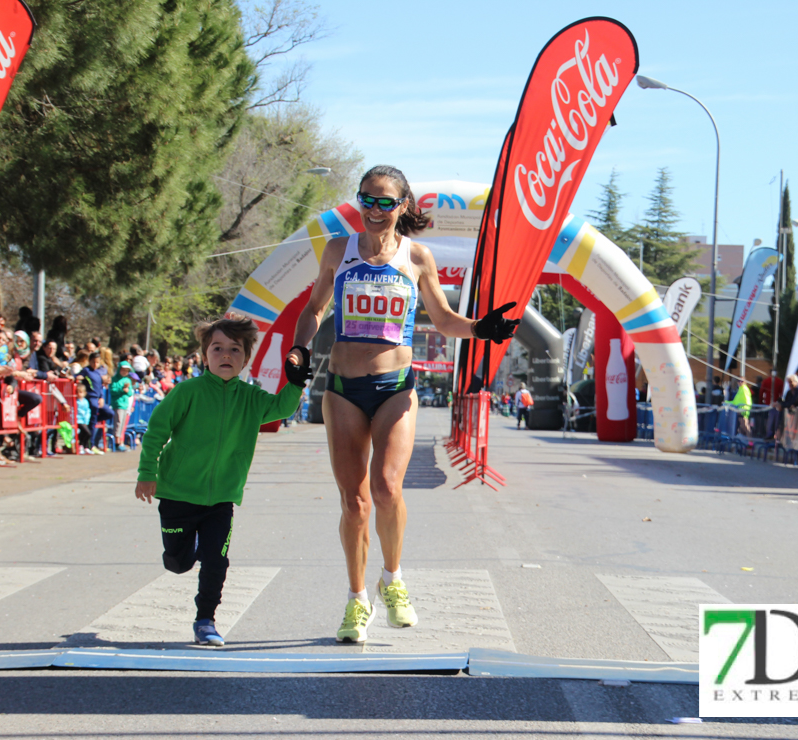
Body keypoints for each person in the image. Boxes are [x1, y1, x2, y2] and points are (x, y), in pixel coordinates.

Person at [289, 164, 518, 643]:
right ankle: (356, 600)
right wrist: (299, 349)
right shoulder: (338, 250)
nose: (374, 210)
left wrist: (481, 328)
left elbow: (445, 317)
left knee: (388, 488)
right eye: (366, 199)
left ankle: (392, 580)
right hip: (343, 389)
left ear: (403, 206)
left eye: (384, 201)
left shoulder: (417, 257)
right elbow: (313, 310)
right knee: (354, 503)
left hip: (396, 387)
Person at [134, 314, 308, 646]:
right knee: (177, 562)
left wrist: (296, 382)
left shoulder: (251, 398)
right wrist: (147, 474)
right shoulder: (187, 392)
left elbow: (282, 408)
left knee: (217, 559)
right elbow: (156, 432)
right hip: (177, 494)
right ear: (204, 355)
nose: (225, 355)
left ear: (246, 358)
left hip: (221, 499)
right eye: (217, 349)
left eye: (234, 349)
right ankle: (186, 552)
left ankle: (205, 620)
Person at [78, 351, 112, 453]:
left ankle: (92, 422)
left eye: (97, 362)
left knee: (109, 413)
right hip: (90, 398)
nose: (95, 364)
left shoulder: (97, 373)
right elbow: (78, 376)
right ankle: (90, 444)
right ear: (89, 361)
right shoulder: (86, 370)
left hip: (98, 398)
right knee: (92, 420)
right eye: (93, 362)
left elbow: (100, 387)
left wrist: (101, 397)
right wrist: (78, 377)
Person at [109, 360, 136, 451]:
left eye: (126, 371)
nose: (124, 372)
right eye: (123, 370)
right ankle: (117, 442)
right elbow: (113, 391)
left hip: (125, 404)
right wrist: (122, 389)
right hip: (118, 404)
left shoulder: (128, 380)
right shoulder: (114, 379)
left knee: (123, 423)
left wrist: (127, 390)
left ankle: (121, 441)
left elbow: (129, 393)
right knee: (118, 423)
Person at [75, 382, 93, 453]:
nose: (79, 394)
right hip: (78, 420)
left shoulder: (86, 401)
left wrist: (86, 420)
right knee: (88, 433)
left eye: (81, 392)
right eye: (77, 392)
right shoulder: (76, 401)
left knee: (84, 433)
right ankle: (81, 445)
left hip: (84, 420)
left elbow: (87, 411)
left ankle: (84, 447)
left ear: (84, 393)